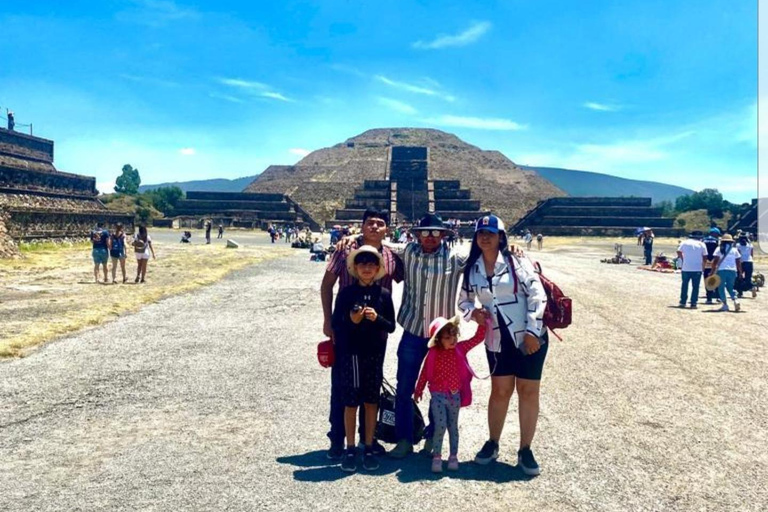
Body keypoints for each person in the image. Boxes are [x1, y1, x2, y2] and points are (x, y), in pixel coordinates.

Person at [458, 214, 548, 476]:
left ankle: (525, 449)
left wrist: (533, 332)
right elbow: (463, 301)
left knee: (528, 391)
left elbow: (537, 295)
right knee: (500, 391)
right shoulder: (472, 268)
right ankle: (493, 442)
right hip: (497, 340)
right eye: (481, 233)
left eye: (491, 233)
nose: (485, 237)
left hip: (529, 337)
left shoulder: (516, 260)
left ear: (501, 237)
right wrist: (472, 313)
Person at [321, 207, 403, 460]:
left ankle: (368, 439)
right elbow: (326, 285)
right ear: (362, 225)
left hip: (376, 333)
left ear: (387, 229)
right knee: (343, 385)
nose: (375, 227)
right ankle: (339, 438)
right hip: (347, 329)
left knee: (370, 385)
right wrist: (328, 320)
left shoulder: (391, 256)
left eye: (380, 223)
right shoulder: (345, 249)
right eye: (370, 222)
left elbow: (412, 275)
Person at [385, 212, 469, 459]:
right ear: (417, 235)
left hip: (440, 339)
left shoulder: (456, 257)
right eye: (425, 232)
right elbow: (379, 241)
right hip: (412, 331)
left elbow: (485, 251)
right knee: (404, 388)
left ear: (443, 235)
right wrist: (352, 238)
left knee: (440, 390)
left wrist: (512, 248)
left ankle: (433, 436)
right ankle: (404, 439)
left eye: (435, 232)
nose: (430, 237)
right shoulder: (408, 251)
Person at [332, 245, 396, 473]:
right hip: (351, 355)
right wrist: (353, 319)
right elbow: (336, 324)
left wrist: (376, 318)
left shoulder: (384, 295)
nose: (367, 268)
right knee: (350, 402)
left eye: (372, 264)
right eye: (362, 264)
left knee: (371, 402)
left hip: (374, 354)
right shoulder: (346, 294)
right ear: (355, 268)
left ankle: (368, 446)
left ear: (378, 268)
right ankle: (350, 447)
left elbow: (391, 326)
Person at [414, 315, 486, 473]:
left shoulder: (460, 348)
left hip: (455, 395)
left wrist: (482, 323)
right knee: (440, 426)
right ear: (439, 339)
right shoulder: (432, 354)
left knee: (453, 426)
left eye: (454, 335)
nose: (453, 339)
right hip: (438, 396)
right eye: (447, 337)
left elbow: (478, 338)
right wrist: (418, 390)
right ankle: (437, 456)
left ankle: (453, 456)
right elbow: (425, 373)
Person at [710, 234, 742, 312]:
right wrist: (740, 272)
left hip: (721, 270)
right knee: (730, 287)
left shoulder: (719, 249)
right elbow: (738, 262)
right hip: (732, 270)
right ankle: (735, 299)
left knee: (721, 288)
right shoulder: (734, 250)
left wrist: (712, 271)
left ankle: (725, 304)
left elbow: (715, 261)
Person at [676, 231, 708, 308]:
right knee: (696, 286)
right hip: (697, 268)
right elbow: (705, 256)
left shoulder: (684, 242)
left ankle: (683, 301)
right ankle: (693, 302)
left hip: (686, 267)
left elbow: (678, 251)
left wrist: (683, 258)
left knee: (684, 285)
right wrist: (703, 266)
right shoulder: (701, 244)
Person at [702, 228, 720, 304]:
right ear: (715, 234)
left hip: (706, 263)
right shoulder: (717, 241)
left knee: (707, 280)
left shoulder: (703, 240)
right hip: (715, 262)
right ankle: (718, 296)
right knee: (716, 279)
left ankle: (709, 298)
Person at [736, 233, 755, 299]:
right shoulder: (750, 245)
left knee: (739, 277)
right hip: (749, 262)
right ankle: (752, 287)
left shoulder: (738, 245)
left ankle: (740, 292)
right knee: (748, 277)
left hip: (741, 262)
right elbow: (752, 254)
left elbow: (738, 255)